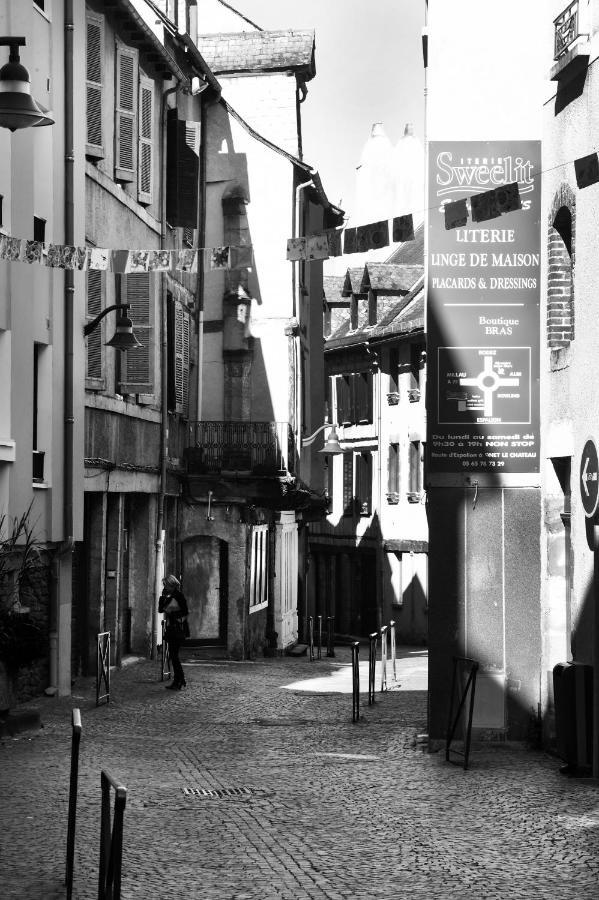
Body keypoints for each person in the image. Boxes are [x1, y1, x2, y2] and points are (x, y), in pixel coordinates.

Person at [158, 574, 189, 690]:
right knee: (173, 656)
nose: (165, 587)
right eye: (164, 585)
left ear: (172, 585)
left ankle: (179, 680)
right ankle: (180, 680)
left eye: (166, 585)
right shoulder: (170, 595)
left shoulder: (178, 595)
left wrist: (174, 613)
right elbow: (161, 610)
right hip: (172, 629)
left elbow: (185, 611)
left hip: (177, 629)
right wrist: (163, 597)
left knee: (174, 656)